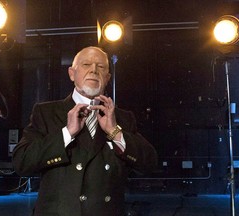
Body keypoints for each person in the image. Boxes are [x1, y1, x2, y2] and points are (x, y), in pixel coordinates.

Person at [12, 46, 158, 216]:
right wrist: (67, 133)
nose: (94, 70)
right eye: (86, 64)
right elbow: (21, 162)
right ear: (71, 73)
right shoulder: (45, 113)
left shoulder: (123, 119)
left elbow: (150, 164)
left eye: (101, 67)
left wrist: (115, 132)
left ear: (108, 77)